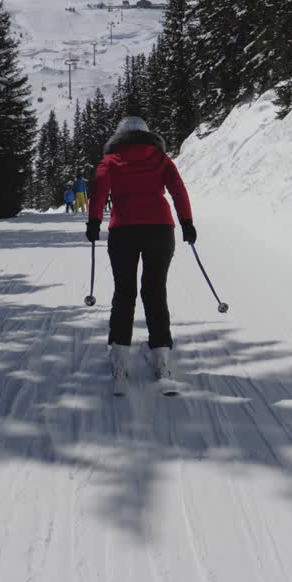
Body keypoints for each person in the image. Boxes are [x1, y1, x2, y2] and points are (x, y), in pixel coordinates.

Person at [85, 116, 196, 388]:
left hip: (124, 231)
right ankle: (161, 357)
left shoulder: (111, 160)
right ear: (148, 135)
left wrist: (94, 221)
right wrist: (187, 222)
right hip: (160, 230)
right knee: (155, 291)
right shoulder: (160, 158)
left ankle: (120, 357)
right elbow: (178, 190)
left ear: (119, 136)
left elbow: (99, 188)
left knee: (125, 292)